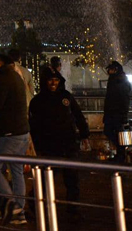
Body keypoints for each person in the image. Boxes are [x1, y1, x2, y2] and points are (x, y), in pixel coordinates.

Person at [29, 69, 90, 217]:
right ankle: (34, 204)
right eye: (50, 80)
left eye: (56, 80)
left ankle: (73, 206)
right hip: (49, 145)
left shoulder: (66, 97)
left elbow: (78, 115)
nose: (53, 83)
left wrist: (84, 134)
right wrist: (37, 145)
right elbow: (33, 125)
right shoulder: (37, 101)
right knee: (44, 178)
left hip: (68, 142)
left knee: (72, 178)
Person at [0, 50, 30, 225]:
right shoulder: (14, 75)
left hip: (7, 133)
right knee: (16, 171)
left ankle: (12, 206)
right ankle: (19, 212)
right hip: (21, 131)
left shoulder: (1, 80)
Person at [103, 61, 131, 162]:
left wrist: (123, 114)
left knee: (113, 132)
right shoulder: (115, 80)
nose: (108, 71)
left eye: (110, 69)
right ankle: (121, 152)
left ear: (115, 70)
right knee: (110, 131)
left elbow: (124, 99)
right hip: (112, 112)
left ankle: (121, 153)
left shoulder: (120, 81)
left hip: (117, 113)